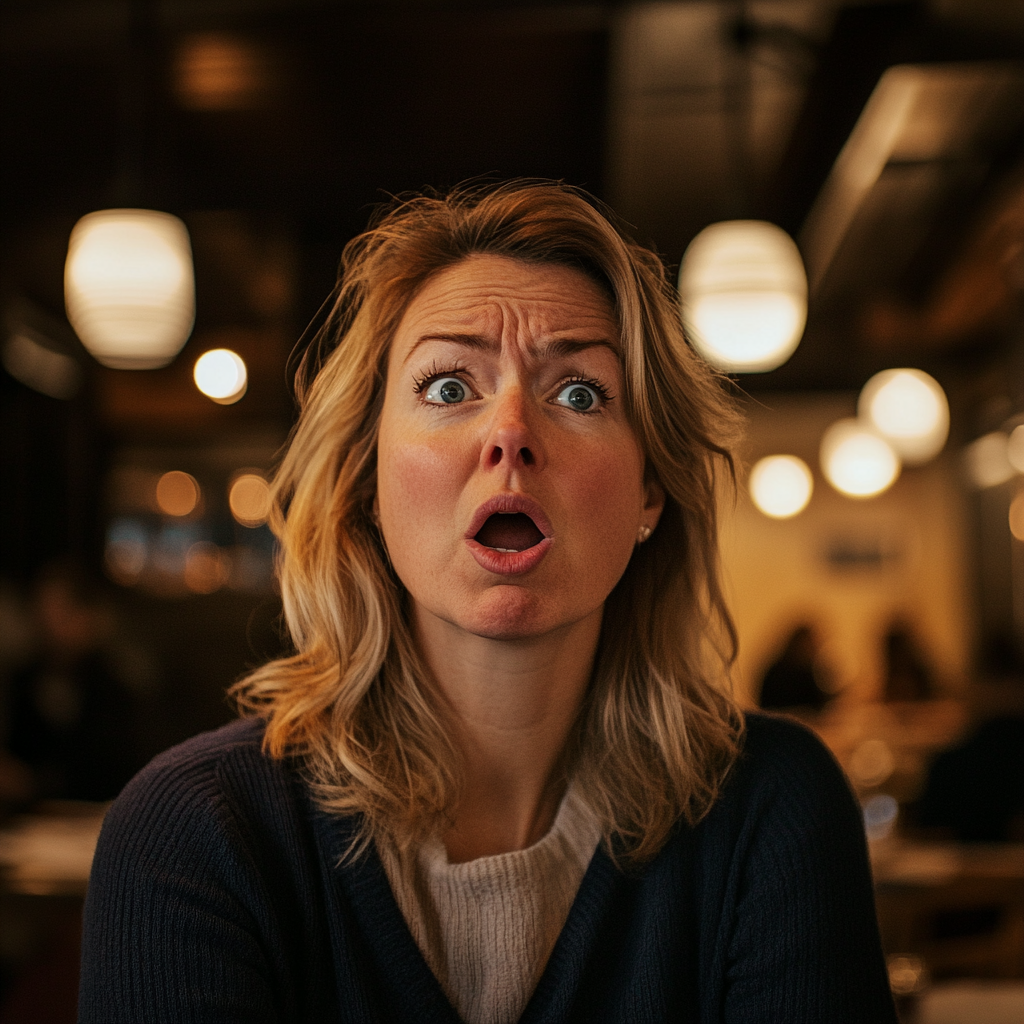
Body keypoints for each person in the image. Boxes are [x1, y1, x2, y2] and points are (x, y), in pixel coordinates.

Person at [78, 182, 896, 1023]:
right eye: (447, 387)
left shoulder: (773, 812)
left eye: (579, 392)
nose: (510, 431)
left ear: (651, 489)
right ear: (367, 478)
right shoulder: (197, 833)